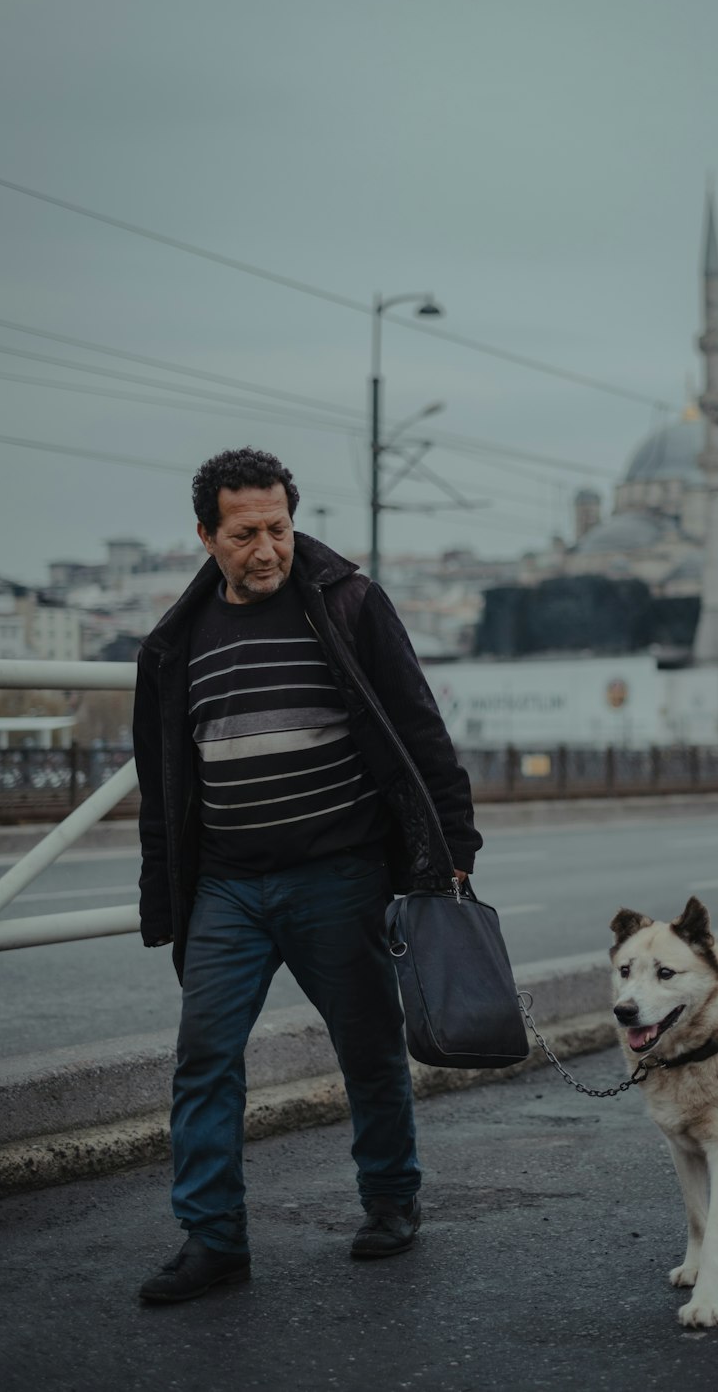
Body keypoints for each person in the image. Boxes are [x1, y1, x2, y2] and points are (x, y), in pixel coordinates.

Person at [134, 447, 481, 1304]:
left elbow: (417, 725)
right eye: (245, 532)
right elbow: (163, 784)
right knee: (204, 1057)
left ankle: (392, 1203)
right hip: (225, 887)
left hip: (338, 875)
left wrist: (454, 844)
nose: (267, 548)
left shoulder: (349, 604)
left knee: (367, 1050)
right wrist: (163, 896)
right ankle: (213, 1240)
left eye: (279, 528)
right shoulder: (176, 644)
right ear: (207, 536)